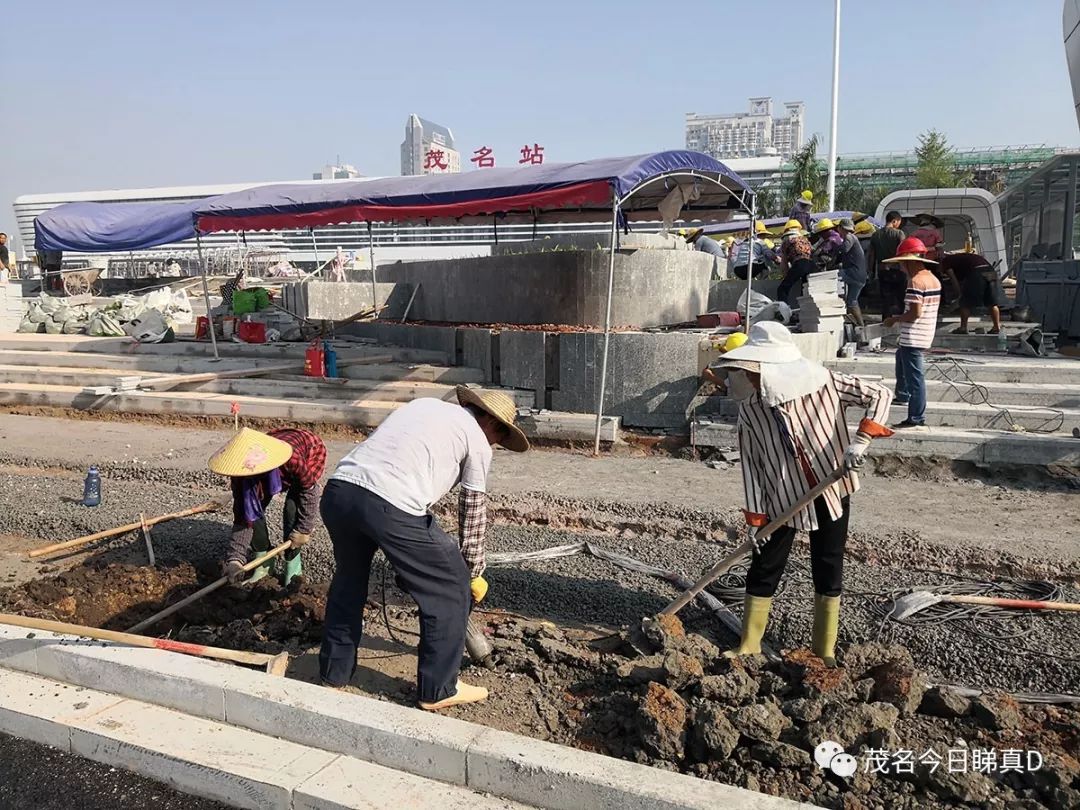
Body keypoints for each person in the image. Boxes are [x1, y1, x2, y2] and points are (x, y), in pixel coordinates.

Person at [318, 387, 529, 710]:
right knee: (450, 586)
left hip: (340, 491)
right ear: (492, 423)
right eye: (498, 436)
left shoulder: (423, 406)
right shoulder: (477, 440)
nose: (494, 444)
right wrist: (470, 572)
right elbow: (472, 512)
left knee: (349, 582)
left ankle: (334, 674)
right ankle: (439, 689)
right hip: (389, 504)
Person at [709, 322, 893, 667]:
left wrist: (862, 439)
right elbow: (751, 464)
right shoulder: (751, 410)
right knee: (765, 565)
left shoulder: (825, 382)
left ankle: (823, 650)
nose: (745, 377)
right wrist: (755, 516)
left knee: (827, 563)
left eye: (749, 370)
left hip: (830, 489)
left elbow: (880, 395)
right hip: (781, 498)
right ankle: (749, 642)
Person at [209, 427, 327, 589]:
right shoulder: (240, 476)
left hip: (309, 450)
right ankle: (263, 563)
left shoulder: (291, 459)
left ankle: (293, 565)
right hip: (275, 461)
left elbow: (310, 491)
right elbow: (243, 517)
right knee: (251, 508)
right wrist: (235, 560)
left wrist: (304, 529)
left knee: (293, 507)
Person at [883, 238, 942, 430]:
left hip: (914, 336)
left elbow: (915, 313)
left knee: (916, 379)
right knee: (901, 358)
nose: (900, 268)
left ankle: (916, 417)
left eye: (901, 263)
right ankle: (902, 394)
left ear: (910, 261)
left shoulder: (915, 282)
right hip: (925, 333)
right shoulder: (933, 279)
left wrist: (895, 319)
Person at [938, 251, 1004, 334]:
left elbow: (953, 279)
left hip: (977, 272)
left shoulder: (946, 262)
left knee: (965, 302)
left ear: (939, 263)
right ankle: (996, 327)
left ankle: (963, 328)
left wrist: (959, 295)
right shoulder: (959, 259)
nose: (940, 271)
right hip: (990, 270)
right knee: (991, 302)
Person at [868, 211, 907, 318]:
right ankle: (900, 321)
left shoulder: (876, 235)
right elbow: (903, 252)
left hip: (882, 270)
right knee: (900, 297)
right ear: (894, 221)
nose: (899, 224)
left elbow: (872, 255)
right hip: (897, 269)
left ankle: (886, 322)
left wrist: (870, 271)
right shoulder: (899, 234)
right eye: (899, 222)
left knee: (886, 299)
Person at [836, 218, 867, 327]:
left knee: (832, 278)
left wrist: (834, 247)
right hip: (860, 277)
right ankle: (861, 325)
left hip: (853, 273)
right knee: (852, 302)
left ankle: (835, 308)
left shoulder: (849, 237)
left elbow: (844, 249)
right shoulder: (854, 237)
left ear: (841, 228)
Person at [775, 220, 815, 306]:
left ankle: (784, 312)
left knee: (782, 289)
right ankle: (805, 312)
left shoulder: (786, 241)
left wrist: (786, 277)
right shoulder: (805, 240)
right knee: (805, 290)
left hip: (799, 264)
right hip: (812, 265)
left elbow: (784, 263)